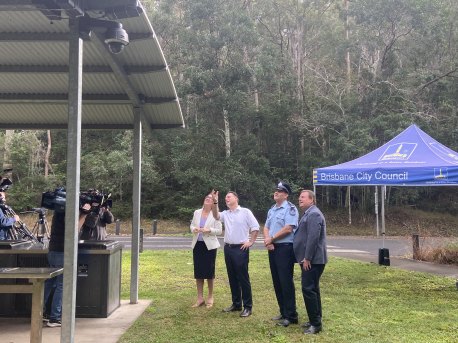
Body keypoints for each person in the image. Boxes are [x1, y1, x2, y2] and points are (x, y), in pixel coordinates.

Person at [211, 190, 259, 318]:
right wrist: (215, 201)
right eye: (225, 197)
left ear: (236, 199)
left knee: (243, 277)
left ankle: (247, 306)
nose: (226, 199)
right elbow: (216, 216)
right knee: (232, 277)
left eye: (229, 197)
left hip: (241, 249)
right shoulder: (226, 214)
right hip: (228, 248)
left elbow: (255, 227)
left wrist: (251, 241)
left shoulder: (245, 212)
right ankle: (236, 304)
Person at [43, 203, 91, 327]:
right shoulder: (66, 212)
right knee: (61, 285)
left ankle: (40, 312)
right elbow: (74, 229)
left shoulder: (59, 211)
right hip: (62, 252)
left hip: (53, 250)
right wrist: (84, 214)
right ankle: (55, 317)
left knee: (50, 283)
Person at [263, 181, 299, 327]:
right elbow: (266, 227)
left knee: (285, 281)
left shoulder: (290, 209)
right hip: (273, 248)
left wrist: (272, 238)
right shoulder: (272, 209)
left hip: (285, 248)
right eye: (275, 190)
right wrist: (268, 240)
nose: (276, 192)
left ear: (285, 195)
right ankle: (283, 312)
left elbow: (288, 229)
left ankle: (291, 316)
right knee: (277, 281)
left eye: (279, 191)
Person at [293, 190, 328, 335]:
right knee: (313, 288)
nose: (299, 199)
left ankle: (315, 324)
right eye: (299, 197)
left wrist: (307, 258)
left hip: (313, 260)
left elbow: (313, 238)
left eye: (303, 197)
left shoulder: (314, 214)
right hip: (312, 259)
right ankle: (316, 318)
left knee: (308, 289)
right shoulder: (309, 213)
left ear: (311, 200)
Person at [190, 193, 222, 308]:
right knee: (198, 273)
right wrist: (195, 229)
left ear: (213, 202)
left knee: (209, 273)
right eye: (206, 198)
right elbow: (192, 225)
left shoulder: (215, 214)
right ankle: (199, 298)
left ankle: (210, 297)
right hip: (197, 245)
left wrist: (209, 230)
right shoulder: (197, 212)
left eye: (210, 198)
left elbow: (219, 230)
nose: (208, 199)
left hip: (210, 246)